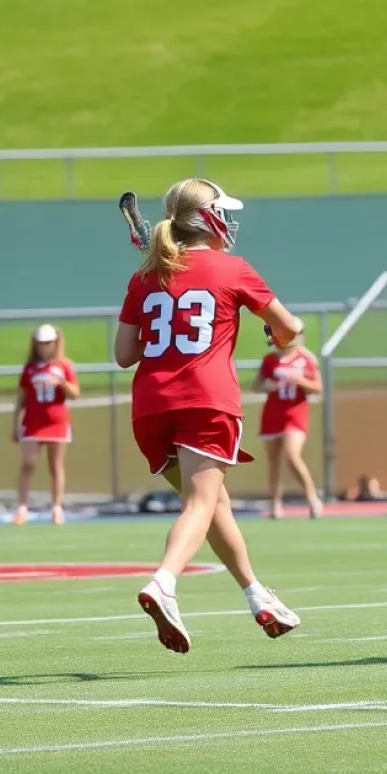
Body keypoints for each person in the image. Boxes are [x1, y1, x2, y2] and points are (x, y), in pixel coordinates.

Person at [114, 178, 303, 655]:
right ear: (210, 218)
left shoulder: (145, 275)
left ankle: (257, 594)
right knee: (200, 506)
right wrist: (275, 336)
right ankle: (164, 582)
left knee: (213, 505)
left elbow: (124, 354)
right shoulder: (232, 267)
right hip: (206, 399)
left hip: (151, 408)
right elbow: (291, 328)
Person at [12, 323, 80, 526]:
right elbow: (21, 398)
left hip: (56, 421)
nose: (45, 347)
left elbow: (75, 393)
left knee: (56, 466)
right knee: (28, 463)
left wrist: (62, 384)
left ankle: (56, 507)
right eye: (41, 343)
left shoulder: (64, 366)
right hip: (33, 422)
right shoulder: (30, 368)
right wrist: (15, 423)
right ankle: (22, 507)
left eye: (48, 343)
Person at [255, 327, 324, 520]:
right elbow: (258, 384)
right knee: (273, 461)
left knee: (292, 456)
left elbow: (318, 388)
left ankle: (312, 498)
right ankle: (275, 504)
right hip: (273, 413)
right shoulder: (270, 359)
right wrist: (268, 386)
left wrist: (299, 380)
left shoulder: (305, 358)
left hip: (295, 413)